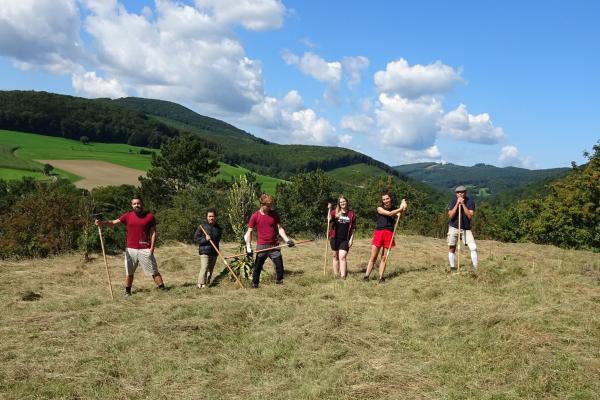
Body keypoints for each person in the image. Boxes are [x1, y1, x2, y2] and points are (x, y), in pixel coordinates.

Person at [95, 197, 166, 296]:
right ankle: (127, 292)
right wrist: (102, 223)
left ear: (142, 204)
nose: (137, 205)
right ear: (131, 205)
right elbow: (113, 223)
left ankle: (163, 290)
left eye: (138, 203)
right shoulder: (128, 216)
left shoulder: (149, 216)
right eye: (134, 204)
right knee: (129, 272)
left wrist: (152, 248)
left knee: (154, 271)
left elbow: (153, 232)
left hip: (145, 249)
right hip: (130, 249)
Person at [244, 194, 294, 288]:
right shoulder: (255, 216)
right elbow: (249, 231)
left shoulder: (274, 214)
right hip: (262, 246)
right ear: (262, 204)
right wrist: (248, 247)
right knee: (258, 267)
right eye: (268, 205)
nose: (270, 207)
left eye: (270, 205)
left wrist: (287, 240)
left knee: (279, 267)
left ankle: (279, 283)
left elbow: (279, 228)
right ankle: (255, 284)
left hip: (274, 245)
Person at [363, 193, 407, 282]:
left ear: (390, 199)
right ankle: (366, 276)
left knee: (384, 257)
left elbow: (400, 215)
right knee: (373, 256)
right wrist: (401, 208)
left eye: (387, 199)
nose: (385, 201)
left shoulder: (395, 208)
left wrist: (404, 205)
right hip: (379, 232)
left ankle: (381, 277)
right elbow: (390, 213)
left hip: (389, 233)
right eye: (384, 199)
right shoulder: (379, 208)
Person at [447, 185, 478, 271]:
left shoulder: (470, 202)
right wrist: (457, 204)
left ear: (465, 193)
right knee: (452, 247)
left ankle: (475, 268)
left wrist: (463, 204)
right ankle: (452, 267)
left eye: (462, 192)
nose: (460, 194)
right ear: (456, 194)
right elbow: (450, 215)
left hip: (466, 228)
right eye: (458, 192)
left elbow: (470, 216)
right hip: (454, 227)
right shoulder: (453, 201)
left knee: (473, 247)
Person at [329, 195, 357, 279]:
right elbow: (329, 219)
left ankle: (343, 276)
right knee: (335, 257)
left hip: (345, 239)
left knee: (342, 256)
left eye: (344, 201)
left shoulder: (351, 214)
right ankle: (336, 274)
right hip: (335, 237)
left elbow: (353, 228)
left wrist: (351, 239)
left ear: (346, 202)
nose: (342, 203)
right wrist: (329, 209)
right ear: (339, 203)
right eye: (341, 202)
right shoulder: (335, 212)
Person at [193, 209, 221, 289]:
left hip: (214, 251)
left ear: (215, 217)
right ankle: (200, 284)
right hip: (204, 250)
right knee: (204, 267)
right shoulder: (202, 227)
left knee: (210, 269)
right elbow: (196, 238)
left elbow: (217, 240)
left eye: (213, 216)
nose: (211, 218)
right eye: (209, 216)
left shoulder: (218, 228)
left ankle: (206, 284)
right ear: (207, 217)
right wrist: (205, 239)